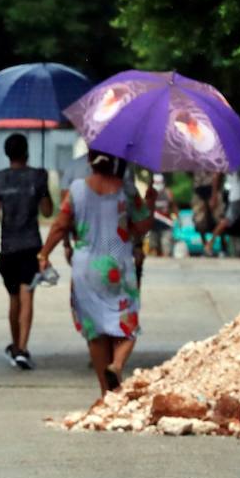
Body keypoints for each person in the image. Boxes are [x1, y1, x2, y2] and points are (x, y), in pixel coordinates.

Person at [37, 151, 155, 393]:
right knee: (126, 324)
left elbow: (60, 225)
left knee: (95, 330)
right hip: (118, 263)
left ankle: (105, 393)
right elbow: (142, 227)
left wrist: (44, 253)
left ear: (90, 161)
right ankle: (118, 364)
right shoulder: (127, 189)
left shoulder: (77, 189)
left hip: (86, 267)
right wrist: (149, 201)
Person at [0, 134, 52, 370]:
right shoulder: (38, 176)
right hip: (31, 246)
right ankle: (22, 349)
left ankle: (15, 345)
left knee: (13, 299)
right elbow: (47, 210)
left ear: (7, 153)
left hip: (8, 248)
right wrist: (42, 188)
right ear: (26, 152)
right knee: (27, 296)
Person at [190, 170, 223, 255]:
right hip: (198, 191)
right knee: (199, 221)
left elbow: (217, 174)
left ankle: (218, 245)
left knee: (219, 219)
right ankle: (205, 246)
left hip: (211, 189)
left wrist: (214, 194)